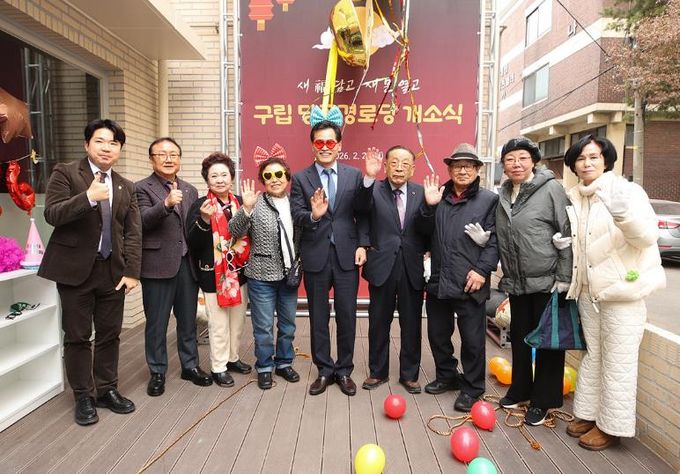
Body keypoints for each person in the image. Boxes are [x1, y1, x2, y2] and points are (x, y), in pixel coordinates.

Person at [562, 135, 665, 450]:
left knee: (619, 361)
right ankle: (588, 414)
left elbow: (647, 237)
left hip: (623, 292)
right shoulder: (575, 196)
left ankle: (611, 427)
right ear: (574, 165)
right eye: (581, 158)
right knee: (593, 355)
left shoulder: (627, 192)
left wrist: (624, 216)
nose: (587, 163)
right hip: (588, 292)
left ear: (606, 160)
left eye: (593, 156)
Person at [38, 118, 141, 426]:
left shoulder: (126, 186)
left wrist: (132, 271)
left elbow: (132, 232)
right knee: (78, 336)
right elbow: (52, 214)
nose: (107, 148)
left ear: (120, 149)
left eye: (113, 143)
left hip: (113, 271)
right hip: (74, 270)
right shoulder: (66, 173)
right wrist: (87, 198)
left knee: (110, 334)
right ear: (87, 144)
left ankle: (107, 389)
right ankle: (83, 395)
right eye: (100, 141)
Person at [290, 108, 369, 396]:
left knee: (347, 315)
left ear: (339, 145)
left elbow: (363, 213)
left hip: (347, 255)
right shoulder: (301, 178)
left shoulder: (354, 175)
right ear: (313, 146)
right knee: (318, 316)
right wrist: (313, 215)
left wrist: (362, 244)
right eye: (319, 142)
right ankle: (324, 369)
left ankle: (344, 370)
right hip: (316, 255)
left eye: (330, 142)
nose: (325, 147)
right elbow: (296, 214)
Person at [495, 137, 573, 426]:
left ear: (534, 161)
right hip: (517, 281)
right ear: (503, 165)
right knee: (520, 337)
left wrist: (564, 276)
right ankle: (520, 389)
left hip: (547, 280)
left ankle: (543, 400)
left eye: (522, 158)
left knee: (548, 343)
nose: (516, 164)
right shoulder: (504, 193)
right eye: (510, 159)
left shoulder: (551, 188)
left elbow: (567, 233)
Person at [419, 143, 499, 412]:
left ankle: (473, 388)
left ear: (477, 170)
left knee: (473, 340)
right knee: (438, 334)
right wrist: (429, 207)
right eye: (457, 166)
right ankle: (447, 376)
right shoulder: (437, 196)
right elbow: (421, 231)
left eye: (468, 166)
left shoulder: (489, 200)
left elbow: (495, 240)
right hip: (439, 278)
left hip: (470, 280)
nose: (462, 171)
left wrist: (482, 270)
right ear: (449, 169)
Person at [136, 137, 212, 396]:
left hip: (187, 264)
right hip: (157, 266)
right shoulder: (141, 188)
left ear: (179, 159)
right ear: (152, 159)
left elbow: (192, 227)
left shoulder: (190, 189)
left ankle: (190, 366)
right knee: (156, 323)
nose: (168, 159)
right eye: (162, 154)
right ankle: (157, 372)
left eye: (173, 154)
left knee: (188, 321)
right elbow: (141, 221)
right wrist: (166, 204)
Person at [355, 145, 429, 394]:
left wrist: (431, 208)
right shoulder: (373, 189)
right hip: (381, 264)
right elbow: (360, 211)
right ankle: (378, 371)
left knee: (412, 323)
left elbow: (429, 227)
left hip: (412, 266)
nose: (399, 168)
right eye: (394, 162)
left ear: (413, 169)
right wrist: (369, 176)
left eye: (405, 163)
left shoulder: (422, 192)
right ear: (385, 166)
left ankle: (409, 375)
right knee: (378, 322)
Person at [229, 154, 301, 390]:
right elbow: (234, 231)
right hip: (261, 276)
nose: (274, 179)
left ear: (287, 177)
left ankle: (284, 363)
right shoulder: (255, 202)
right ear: (263, 180)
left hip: (289, 276)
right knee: (263, 328)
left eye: (279, 174)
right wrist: (246, 209)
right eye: (268, 175)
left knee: (288, 325)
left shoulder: (296, 203)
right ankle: (264, 367)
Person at [186, 153, 252, 388]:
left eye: (224, 174)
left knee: (237, 322)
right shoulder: (200, 205)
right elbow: (192, 242)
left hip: (240, 273)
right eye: (214, 176)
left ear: (232, 177)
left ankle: (232, 358)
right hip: (214, 275)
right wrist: (204, 220)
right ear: (207, 180)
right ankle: (219, 367)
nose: (220, 179)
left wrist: (248, 209)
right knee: (219, 324)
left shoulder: (241, 202)